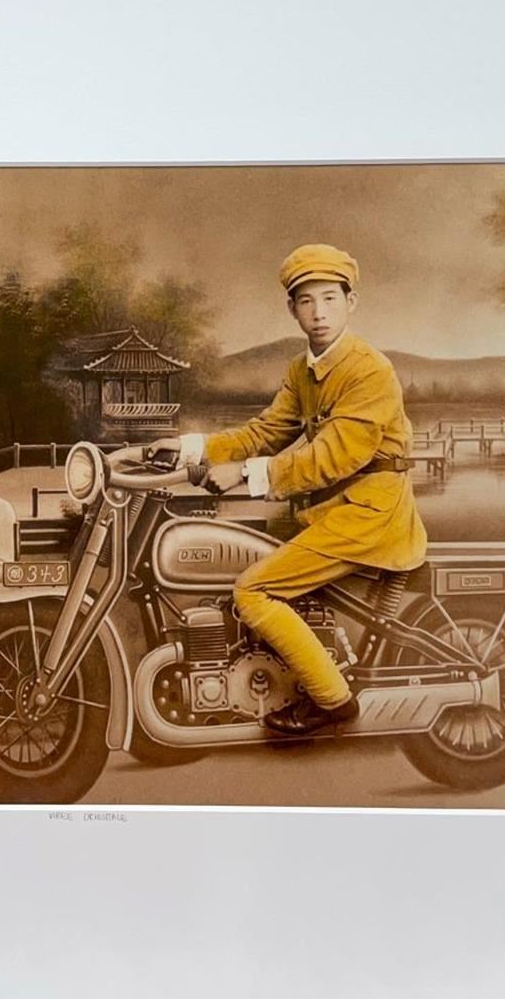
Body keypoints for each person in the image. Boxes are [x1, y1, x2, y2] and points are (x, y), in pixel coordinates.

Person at [149, 242, 428, 735]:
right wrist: (192, 446)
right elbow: (265, 431)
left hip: (371, 511)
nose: (319, 313)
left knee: (252, 590)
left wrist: (247, 473)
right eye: (306, 301)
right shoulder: (302, 370)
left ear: (351, 303)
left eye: (330, 299)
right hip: (332, 507)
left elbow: (337, 455)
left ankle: (332, 700)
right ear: (292, 309)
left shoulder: (369, 369)